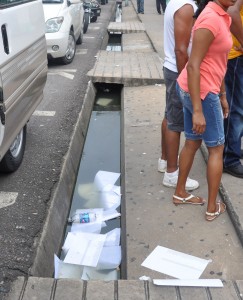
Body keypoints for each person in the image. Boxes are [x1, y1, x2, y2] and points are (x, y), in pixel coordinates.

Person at [174, 0, 234, 221]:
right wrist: (198, 110)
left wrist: (223, 95)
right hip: (201, 92)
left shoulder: (221, 15)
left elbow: (218, 62)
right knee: (216, 148)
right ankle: (211, 207)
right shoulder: (210, 18)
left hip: (199, 89)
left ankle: (180, 193)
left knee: (192, 141)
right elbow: (193, 64)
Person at [158, 0, 199, 191]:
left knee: (169, 116)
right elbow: (181, 50)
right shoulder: (186, 7)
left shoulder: (176, 2)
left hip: (172, 68)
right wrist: (187, 81)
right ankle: (172, 174)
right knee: (175, 123)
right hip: (178, 71)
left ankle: (165, 160)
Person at [223, 0, 243, 178]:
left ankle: (233, 147)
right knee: (236, 109)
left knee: (238, 107)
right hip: (236, 57)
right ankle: (230, 158)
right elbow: (231, 11)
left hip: (237, 56)